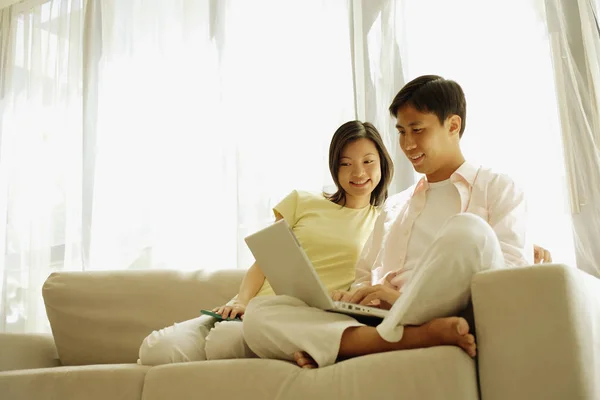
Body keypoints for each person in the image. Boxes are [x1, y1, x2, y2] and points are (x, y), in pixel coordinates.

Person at [242, 75, 536, 369]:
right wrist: (357, 296)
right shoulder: (396, 205)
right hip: (384, 317)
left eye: (417, 130)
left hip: (438, 306)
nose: (407, 144)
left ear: (453, 125)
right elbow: (365, 273)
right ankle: (393, 339)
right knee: (262, 312)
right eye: (401, 132)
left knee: (467, 229)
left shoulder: (497, 187)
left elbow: (509, 278)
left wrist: (397, 299)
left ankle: (350, 344)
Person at [137, 120, 394, 365]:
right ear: (334, 168)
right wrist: (242, 301)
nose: (358, 172)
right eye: (346, 163)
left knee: (223, 342)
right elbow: (263, 263)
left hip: (294, 320)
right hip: (247, 307)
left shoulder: (386, 223)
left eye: (368, 161)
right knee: (156, 350)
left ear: (382, 161)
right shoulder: (302, 201)